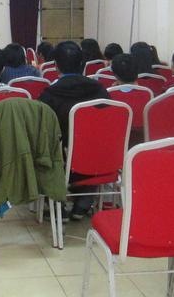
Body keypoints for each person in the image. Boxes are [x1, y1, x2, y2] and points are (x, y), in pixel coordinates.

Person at [39, 41, 108, 220]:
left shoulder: (49, 95)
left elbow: (41, 131)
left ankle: (57, 204)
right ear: (83, 64)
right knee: (92, 144)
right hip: (99, 160)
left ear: (55, 66)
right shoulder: (101, 91)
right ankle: (83, 202)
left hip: (62, 161)